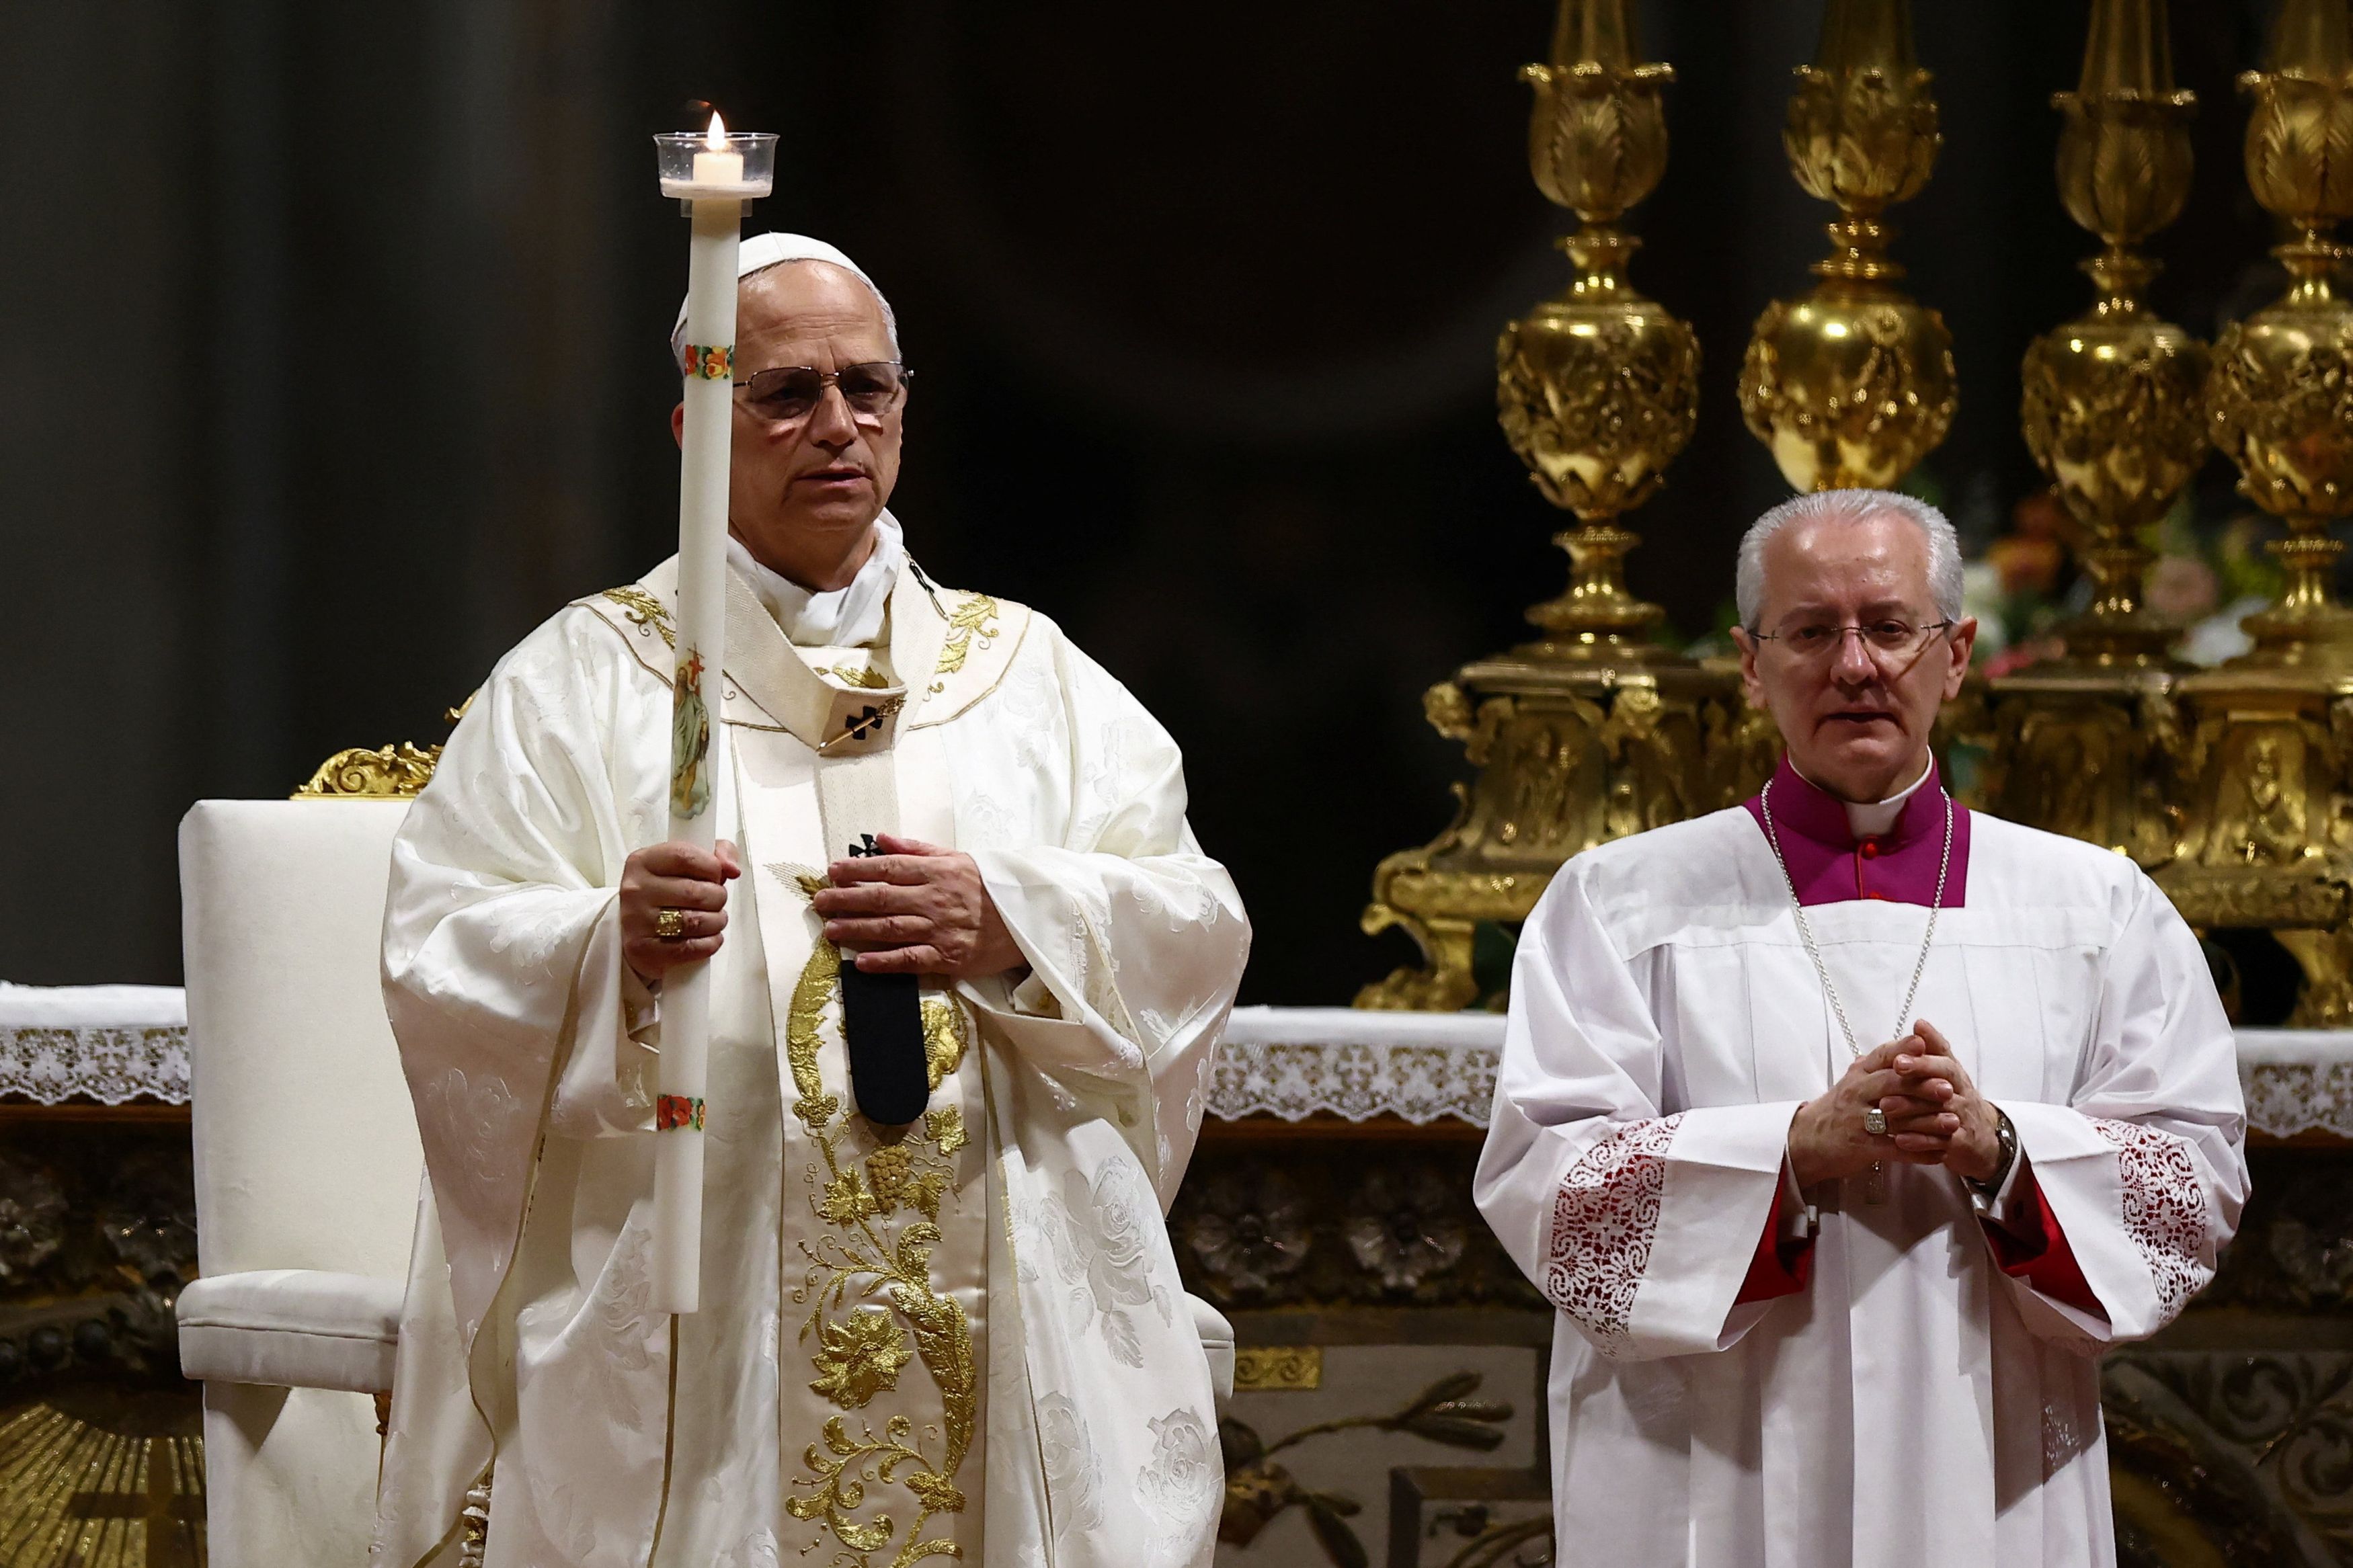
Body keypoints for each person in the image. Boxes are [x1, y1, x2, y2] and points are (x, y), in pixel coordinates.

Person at [369, 233, 1249, 1568]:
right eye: (785, 393)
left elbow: (1192, 920)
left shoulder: (1027, 678)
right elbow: (440, 949)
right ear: (696, 425)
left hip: (1006, 1283)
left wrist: (1015, 920)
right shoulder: (587, 681)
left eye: (868, 387)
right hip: (690, 1296)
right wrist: (611, 948)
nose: (836, 425)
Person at [1474, 488, 2247, 1567]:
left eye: (1889, 627)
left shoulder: (2094, 907)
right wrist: (1788, 1155)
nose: (1855, 665)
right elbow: (1550, 1192)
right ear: (1751, 662)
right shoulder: (1618, 904)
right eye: (1809, 631)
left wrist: (2005, 1151)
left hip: (1988, 1467)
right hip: (1717, 1466)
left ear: (1958, 651)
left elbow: (2190, 1184)